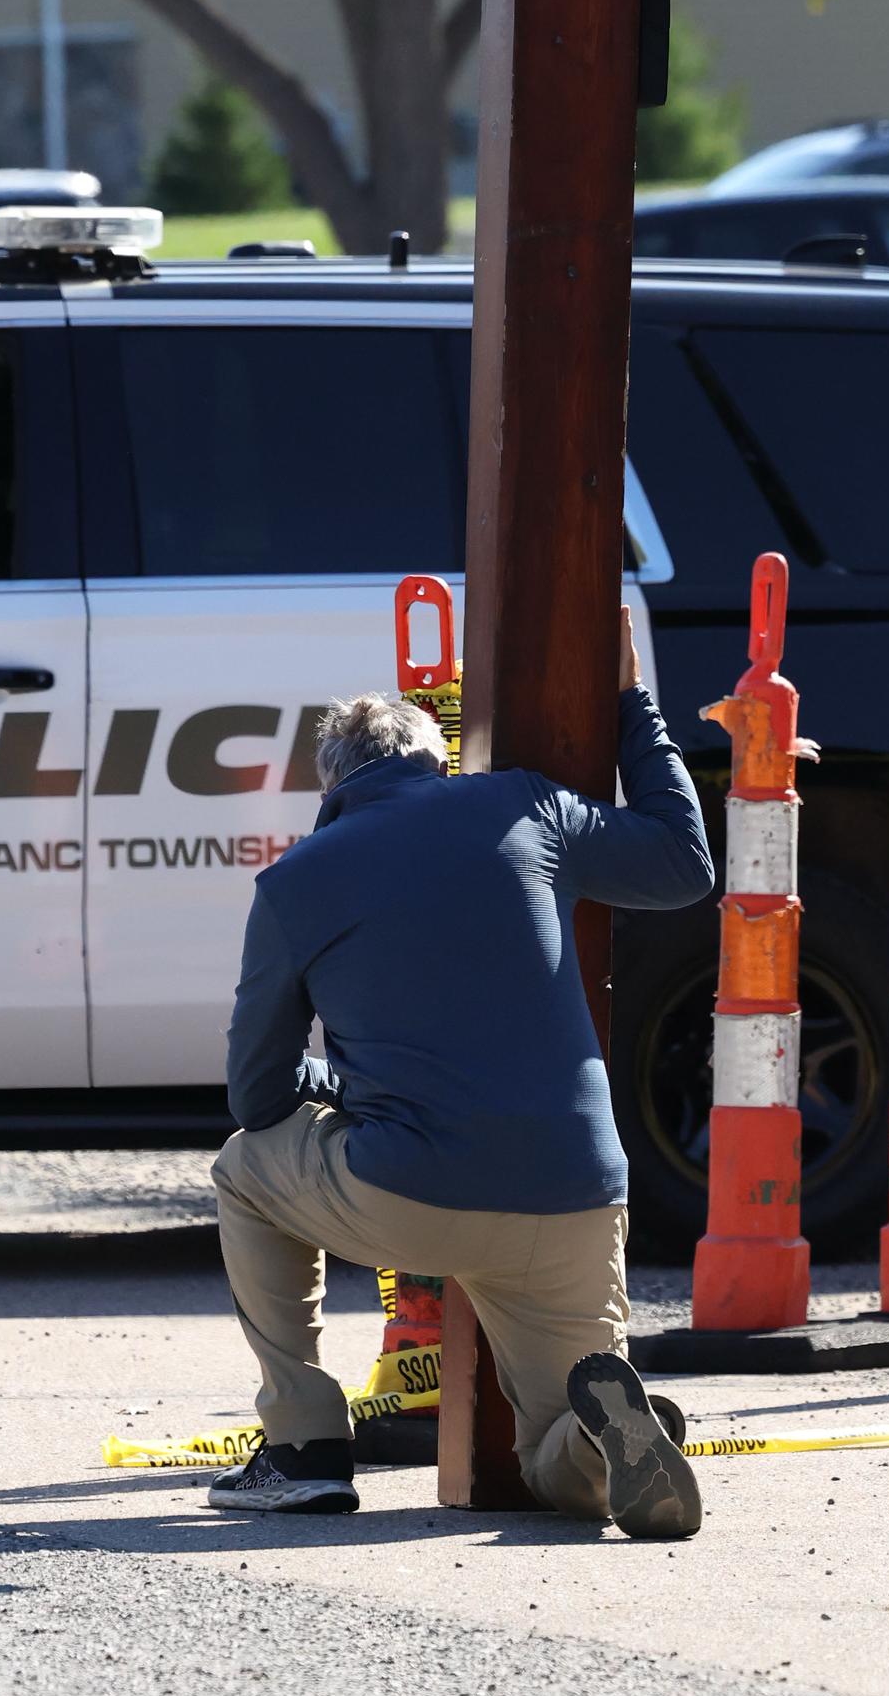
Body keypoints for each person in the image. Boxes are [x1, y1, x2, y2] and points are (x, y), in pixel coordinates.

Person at [208, 608, 715, 1537]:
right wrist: (630, 702)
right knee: (547, 1445)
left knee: (244, 1170)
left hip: (413, 1192)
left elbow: (260, 1096)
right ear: (436, 761)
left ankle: (303, 1448)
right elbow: (684, 864)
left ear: (331, 785)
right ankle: (606, 1444)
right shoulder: (526, 804)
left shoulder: (296, 882)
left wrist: (344, 1090)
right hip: (574, 1191)